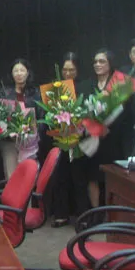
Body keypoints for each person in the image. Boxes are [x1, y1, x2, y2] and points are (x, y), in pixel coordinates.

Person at [79, 49, 135, 209]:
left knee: (112, 178)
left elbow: (128, 114)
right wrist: (92, 127)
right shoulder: (86, 85)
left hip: (113, 139)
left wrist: (107, 128)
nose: (98, 64)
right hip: (92, 140)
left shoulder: (120, 85)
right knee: (93, 177)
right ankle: (96, 212)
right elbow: (80, 111)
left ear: (110, 64)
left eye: (102, 61)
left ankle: (111, 213)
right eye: (95, 62)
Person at [49, 52, 90, 226]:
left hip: (79, 140)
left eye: (71, 70)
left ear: (78, 70)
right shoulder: (56, 88)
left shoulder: (85, 87)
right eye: (65, 70)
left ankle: (83, 216)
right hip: (60, 139)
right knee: (60, 177)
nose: (67, 73)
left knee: (80, 179)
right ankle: (61, 213)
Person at [0, 58, 41, 183]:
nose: (19, 73)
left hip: (29, 143)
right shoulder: (4, 92)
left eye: (22, 70)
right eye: (16, 71)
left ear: (28, 73)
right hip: (9, 142)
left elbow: (41, 117)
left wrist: (32, 131)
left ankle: (29, 197)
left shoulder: (36, 93)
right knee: (12, 178)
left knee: (28, 179)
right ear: (11, 74)